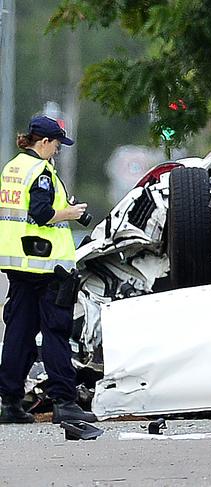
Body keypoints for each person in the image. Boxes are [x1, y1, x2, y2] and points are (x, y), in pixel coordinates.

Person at [0, 115, 96, 424]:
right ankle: (64, 403)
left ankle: (10, 403)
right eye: (56, 145)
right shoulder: (40, 171)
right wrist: (69, 212)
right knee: (56, 332)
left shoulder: (13, 167)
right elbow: (41, 213)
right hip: (47, 265)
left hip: (18, 263)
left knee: (18, 333)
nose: (57, 150)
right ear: (44, 142)